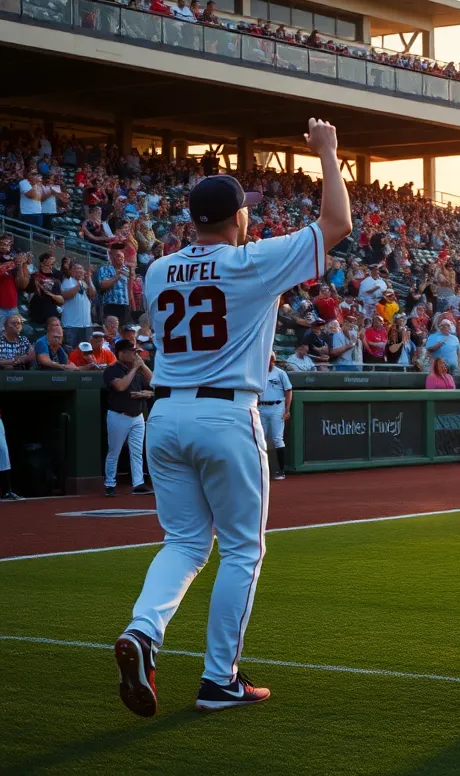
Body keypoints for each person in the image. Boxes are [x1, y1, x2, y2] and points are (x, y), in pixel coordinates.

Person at [113, 118, 350, 718]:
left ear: (193, 218)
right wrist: (327, 153)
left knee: (186, 542)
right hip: (227, 413)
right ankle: (219, 679)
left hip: (165, 413)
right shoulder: (250, 262)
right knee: (242, 551)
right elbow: (336, 225)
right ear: (237, 218)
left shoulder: (159, 269)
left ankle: (144, 631)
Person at [103, 339, 155, 497]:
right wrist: (135, 369)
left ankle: (138, 483)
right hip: (118, 416)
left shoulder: (138, 369)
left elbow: (153, 383)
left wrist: (147, 393)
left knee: (137, 452)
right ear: (121, 353)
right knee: (114, 451)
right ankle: (110, 484)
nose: (134, 354)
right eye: (131, 351)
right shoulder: (112, 370)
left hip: (137, 416)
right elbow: (120, 387)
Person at [259, 354, 293, 481]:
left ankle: (281, 470)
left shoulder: (280, 373)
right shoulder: (259, 372)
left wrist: (287, 409)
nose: (270, 362)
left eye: (272, 360)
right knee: (261, 439)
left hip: (277, 406)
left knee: (277, 438)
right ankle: (264, 470)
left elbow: (288, 390)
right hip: (261, 407)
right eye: (268, 359)